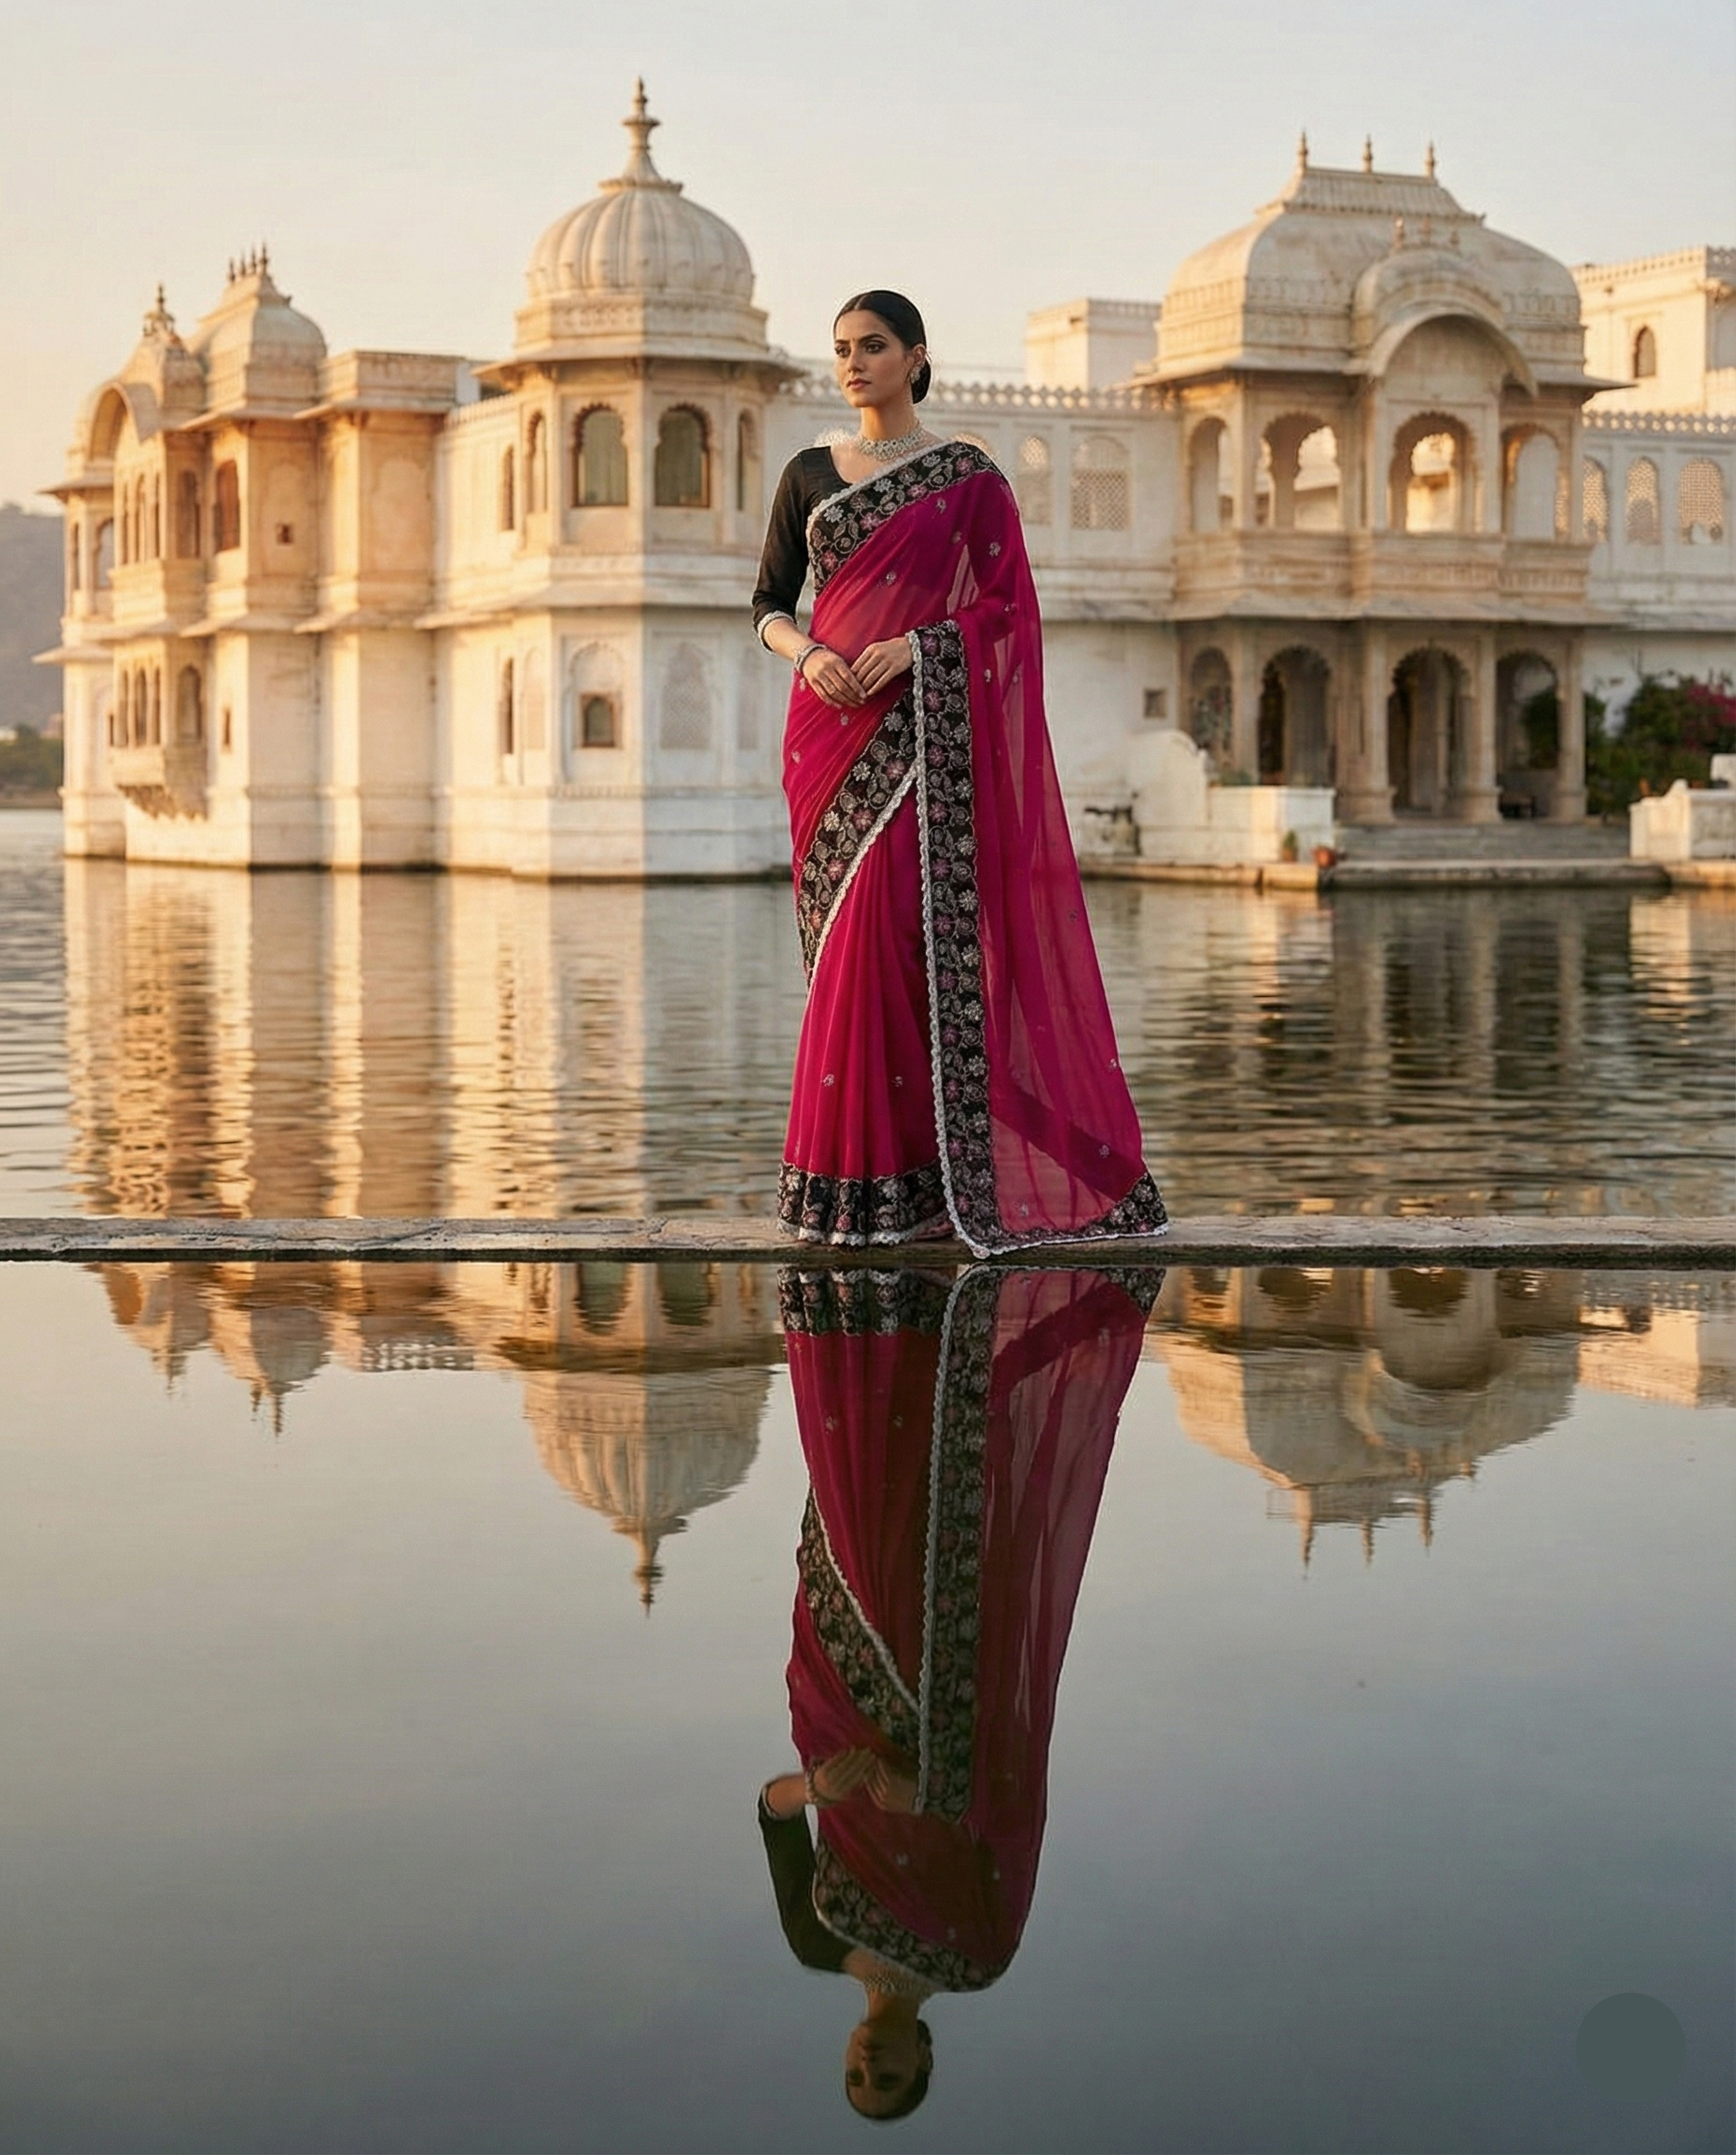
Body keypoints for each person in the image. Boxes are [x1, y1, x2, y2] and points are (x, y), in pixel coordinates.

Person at [753, 291, 1168, 1255]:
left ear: (915, 357)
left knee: (899, 944)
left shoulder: (966, 478)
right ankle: (847, 1191)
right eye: (842, 349)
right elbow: (769, 601)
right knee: (843, 954)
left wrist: (918, 649)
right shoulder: (808, 473)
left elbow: (1008, 614)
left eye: (873, 347)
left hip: (919, 734)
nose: (853, 363)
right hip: (826, 734)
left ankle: (929, 1185)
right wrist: (807, 655)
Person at [755, 1264, 1162, 2119]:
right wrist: (934, 1797)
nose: (871, 2065)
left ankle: (875, 1302)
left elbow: (772, 1812)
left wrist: (813, 1787)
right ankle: (1003, 1310)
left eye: (857, 2078)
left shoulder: (814, 1941)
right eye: (890, 2078)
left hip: (837, 1699)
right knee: (936, 1504)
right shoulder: (977, 1955)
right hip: (947, 1704)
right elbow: (1012, 1826)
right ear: (923, 2059)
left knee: (858, 1500)